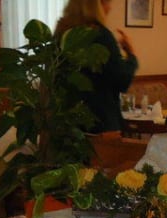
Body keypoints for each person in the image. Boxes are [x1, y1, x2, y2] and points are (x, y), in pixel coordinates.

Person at [55, 0, 138, 134]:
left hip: (66, 120)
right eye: (107, 3)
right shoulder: (100, 35)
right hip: (100, 121)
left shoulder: (62, 32)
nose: (109, 8)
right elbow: (121, 79)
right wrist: (131, 56)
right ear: (96, 5)